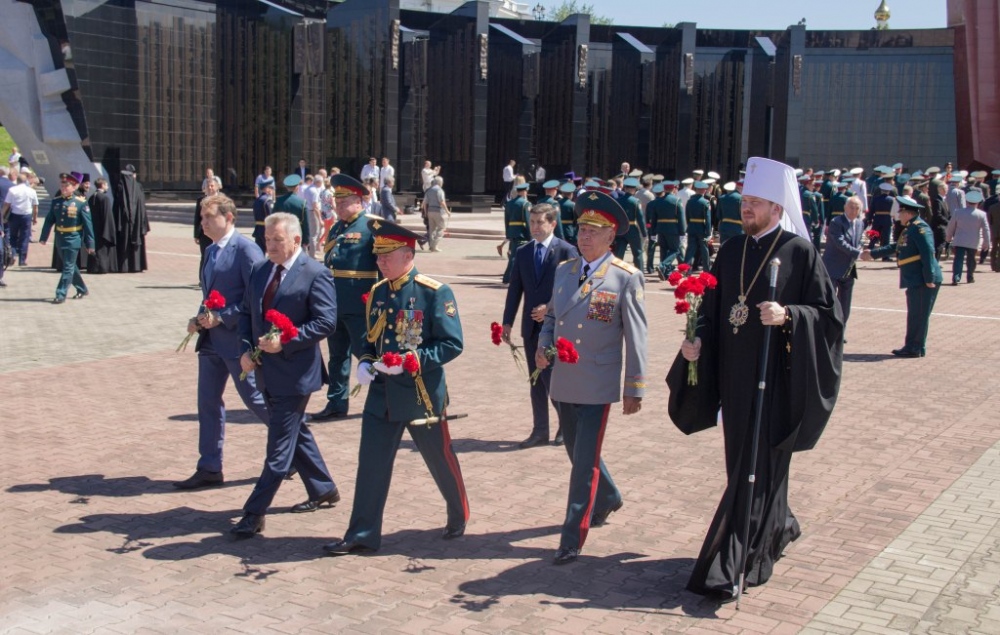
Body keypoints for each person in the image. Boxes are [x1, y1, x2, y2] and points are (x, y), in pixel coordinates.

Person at [669, 156, 844, 601]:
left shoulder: (799, 252)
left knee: (756, 467)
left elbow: (829, 317)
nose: (745, 208)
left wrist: (790, 316)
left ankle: (736, 560)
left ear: (777, 208)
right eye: (745, 201)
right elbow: (712, 311)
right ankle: (777, 525)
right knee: (743, 463)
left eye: (755, 202)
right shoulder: (730, 250)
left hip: (776, 380)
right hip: (733, 380)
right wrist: (695, 343)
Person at [323, 219, 469, 556]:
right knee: (371, 463)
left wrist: (412, 360)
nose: (380, 262)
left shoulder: (434, 292)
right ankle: (361, 533)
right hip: (382, 394)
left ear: (407, 255)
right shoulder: (377, 292)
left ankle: (458, 511)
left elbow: (452, 343)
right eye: (378, 256)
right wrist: (365, 360)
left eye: (386, 256)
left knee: (440, 459)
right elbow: (370, 338)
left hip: (420, 394)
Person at [536, 191, 648, 565]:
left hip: (597, 382)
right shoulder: (565, 271)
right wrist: (543, 344)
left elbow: (637, 336)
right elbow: (553, 317)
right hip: (563, 377)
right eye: (582, 229)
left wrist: (634, 387)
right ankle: (609, 496)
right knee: (575, 449)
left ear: (610, 236)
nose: (584, 236)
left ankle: (572, 537)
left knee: (584, 465)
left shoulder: (625, 278)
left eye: (594, 231)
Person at [233, 212, 340, 538]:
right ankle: (323, 488)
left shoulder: (315, 273)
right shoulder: (260, 270)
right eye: (267, 240)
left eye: (277, 240)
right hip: (265, 370)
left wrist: (286, 340)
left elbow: (326, 322)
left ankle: (254, 512)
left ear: (296, 240)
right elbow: (247, 314)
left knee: (279, 448)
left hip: (295, 374)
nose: (270, 246)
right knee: (295, 431)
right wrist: (245, 349)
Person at [174, 193, 269, 490]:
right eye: (201, 217)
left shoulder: (246, 249)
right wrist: (199, 318)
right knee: (208, 403)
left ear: (228, 217)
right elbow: (210, 294)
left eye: (208, 217)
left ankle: (295, 447)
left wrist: (224, 317)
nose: (202, 223)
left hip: (237, 340)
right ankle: (210, 467)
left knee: (256, 399)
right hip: (211, 341)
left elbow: (257, 298)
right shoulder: (211, 250)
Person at [502, 204, 578, 449]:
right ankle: (540, 430)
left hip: (556, 328)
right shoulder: (523, 251)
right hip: (531, 328)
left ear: (553, 224)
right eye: (532, 222)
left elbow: (576, 289)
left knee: (551, 378)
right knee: (535, 380)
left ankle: (567, 424)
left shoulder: (566, 251)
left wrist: (550, 307)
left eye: (540, 222)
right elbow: (515, 289)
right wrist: (507, 321)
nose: (534, 227)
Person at [312, 174, 381, 422]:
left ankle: (387, 399)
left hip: (360, 305)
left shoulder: (372, 227)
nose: (338, 207)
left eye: (343, 203)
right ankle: (336, 403)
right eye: (337, 202)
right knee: (337, 356)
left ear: (358, 201)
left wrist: (382, 301)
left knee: (367, 356)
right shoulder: (338, 228)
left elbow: (384, 267)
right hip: (334, 304)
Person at [862, 196, 942, 357]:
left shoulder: (920, 228)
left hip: (922, 279)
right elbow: (896, 246)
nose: (898, 215)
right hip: (914, 278)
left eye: (901, 212)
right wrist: (873, 253)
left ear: (908, 213)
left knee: (919, 315)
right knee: (915, 315)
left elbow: (927, 253)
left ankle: (915, 348)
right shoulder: (910, 228)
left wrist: (929, 278)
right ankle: (912, 346)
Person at [38, 172, 95, 303]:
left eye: (67, 186)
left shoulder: (81, 203)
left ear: (74, 187)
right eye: (62, 186)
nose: (63, 188)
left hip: (73, 238)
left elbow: (88, 225)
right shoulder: (56, 202)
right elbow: (49, 220)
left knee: (68, 267)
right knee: (70, 266)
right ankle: (82, 288)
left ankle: (61, 293)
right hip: (60, 238)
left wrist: (90, 243)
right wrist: (43, 237)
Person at [822, 194, 864, 331]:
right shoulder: (836, 222)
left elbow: (859, 240)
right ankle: (828, 329)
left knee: (846, 302)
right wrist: (858, 253)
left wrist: (861, 248)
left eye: (857, 208)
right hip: (833, 267)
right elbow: (839, 242)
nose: (854, 210)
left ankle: (841, 330)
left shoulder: (860, 223)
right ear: (845, 207)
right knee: (830, 300)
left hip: (849, 268)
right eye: (851, 207)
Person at [945, 189, 991, 285]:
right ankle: (970, 276)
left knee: (958, 259)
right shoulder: (982, 214)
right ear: (978, 203)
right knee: (971, 260)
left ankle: (956, 277)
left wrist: (948, 238)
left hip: (959, 240)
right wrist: (986, 242)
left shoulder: (958, 212)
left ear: (966, 201)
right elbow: (986, 229)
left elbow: (951, 226)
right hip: (973, 241)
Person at [113, 165, 149, 273]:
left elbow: (116, 207)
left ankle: (124, 266)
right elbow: (142, 206)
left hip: (124, 222)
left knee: (124, 243)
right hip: (137, 221)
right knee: (135, 241)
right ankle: (137, 265)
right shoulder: (138, 187)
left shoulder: (120, 187)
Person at [1, 170, 39, 266]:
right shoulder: (31, 191)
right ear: (26, 181)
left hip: (14, 215)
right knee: (24, 237)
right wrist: (35, 218)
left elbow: (6, 204)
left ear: (17, 180)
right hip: (26, 216)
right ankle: (22, 260)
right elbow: (35, 207)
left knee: (13, 236)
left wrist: (2, 215)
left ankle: (13, 255)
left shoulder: (12, 190)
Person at [503, 182, 532, 283]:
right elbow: (528, 221)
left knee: (515, 255)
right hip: (522, 233)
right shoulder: (525, 204)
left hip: (512, 232)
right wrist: (531, 236)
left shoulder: (509, 203)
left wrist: (508, 234)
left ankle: (512, 276)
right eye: (526, 191)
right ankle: (508, 277)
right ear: (524, 191)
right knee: (515, 257)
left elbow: (506, 220)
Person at [86, 178, 116, 274]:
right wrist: (110, 230)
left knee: (94, 247)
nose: (107, 187)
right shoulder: (104, 198)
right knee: (101, 249)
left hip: (93, 227)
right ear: (102, 185)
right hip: (102, 228)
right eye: (106, 185)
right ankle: (101, 268)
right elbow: (107, 216)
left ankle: (92, 267)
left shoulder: (91, 197)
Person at [194, 177, 221, 279]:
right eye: (208, 186)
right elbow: (197, 218)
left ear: (217, 187)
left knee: (218, 255)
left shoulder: (222, 201)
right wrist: (196, 235)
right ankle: (203, 278)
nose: (210, 188)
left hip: (218, 233)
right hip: (204, 233)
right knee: (205, 255)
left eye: (212, 186)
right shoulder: (201, 201)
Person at [685, 181, 712, 271]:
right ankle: (706, 269)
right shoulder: (705, 202)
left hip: (691, 227)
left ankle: (686, 269)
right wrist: (708, 233)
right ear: (704, 190)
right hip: (701, 228)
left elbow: (687, 216)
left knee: (690, 249)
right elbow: (708, 219)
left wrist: (690, 225)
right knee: (704, 250)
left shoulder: (690, 201)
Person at [273, 174, 309, 241]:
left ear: (286, 187)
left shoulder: (279, 201)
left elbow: (273, 219)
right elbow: (306, 223)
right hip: (296, 233)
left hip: (282, 233)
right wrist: (306, 239)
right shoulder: (302, 202)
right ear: (297, 187)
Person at [422, 176, 450, 252]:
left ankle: (431, 246)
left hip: (430, 211)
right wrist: (447, 211)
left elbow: (425, 203)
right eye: (442, 182)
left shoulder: (428, 190)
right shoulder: (439, 190)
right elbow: (442, 201)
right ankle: (434, 246)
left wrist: (426, 213)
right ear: (439, 182)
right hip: (438, 211)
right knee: (441, 228)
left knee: (432, 230)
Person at [252, 182, 274, 253]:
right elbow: (271, 216)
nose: (272, 190)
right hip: (266, 228)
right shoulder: (268, 200)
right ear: (266, 189)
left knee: (259, 251)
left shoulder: (257, 200)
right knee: (271, 251)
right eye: (270, 188)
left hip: (258, 228)